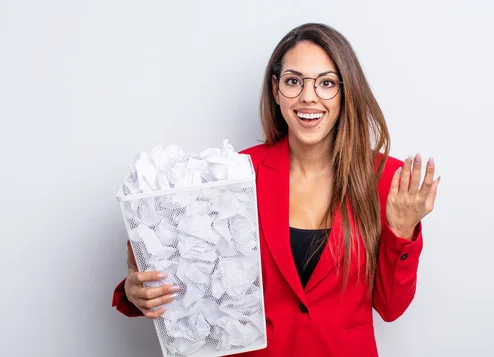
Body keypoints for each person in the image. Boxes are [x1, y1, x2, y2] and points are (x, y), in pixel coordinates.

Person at [112, 23, 440, 357]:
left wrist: (401, 230)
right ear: (276, 89)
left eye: (326, 83)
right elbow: (186, 272)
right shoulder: (232, 173)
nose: (308, 96)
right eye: (294, 81)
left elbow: (391, 308)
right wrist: (136, 291)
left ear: (346, 91)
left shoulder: (387, 179)